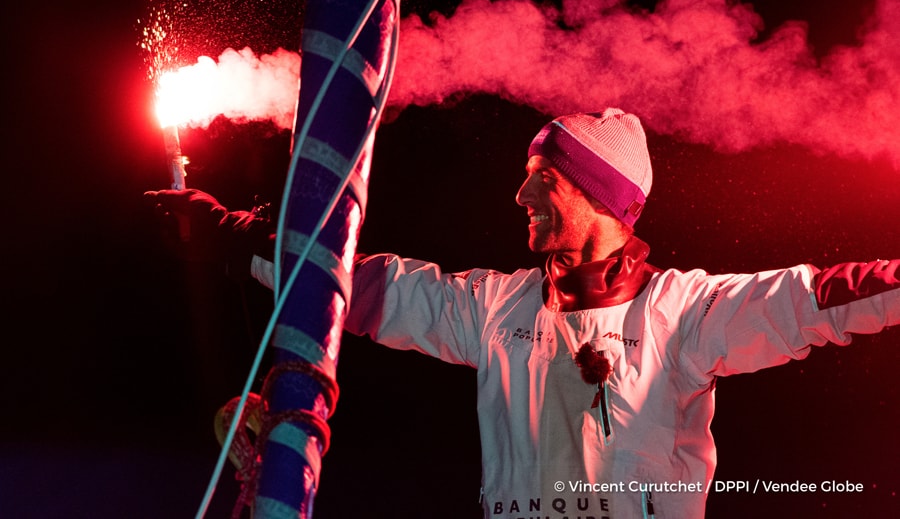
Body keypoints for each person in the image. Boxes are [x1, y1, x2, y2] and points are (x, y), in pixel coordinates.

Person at [147, 108, 900, 519]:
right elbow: (354, 287)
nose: (519, 195)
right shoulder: (496, 305)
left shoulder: (687, 312)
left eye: (542, 176)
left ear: (600, 198)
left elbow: (821, 298)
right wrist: (229, 235)